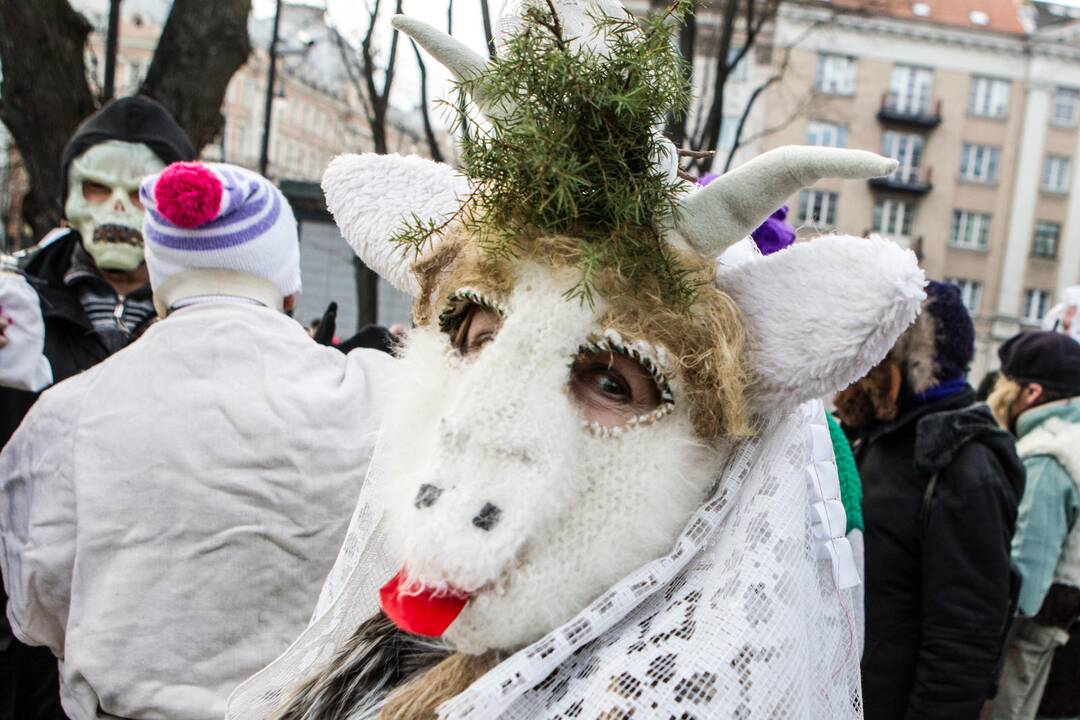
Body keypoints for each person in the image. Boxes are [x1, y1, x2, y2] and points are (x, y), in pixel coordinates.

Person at [225, 2, 925, 718]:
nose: (491, 419)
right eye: (482, 339)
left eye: (607, 380)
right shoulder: (380, 651)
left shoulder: (666, 694)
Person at [0, 161, 396, 720]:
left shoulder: (67, 414)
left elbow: (35, 605)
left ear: (160, 281)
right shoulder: (380, 394)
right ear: (289, 285)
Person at [0, 95, 194, 720]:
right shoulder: (13, 308)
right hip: (21, 633)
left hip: (146, 623)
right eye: (96, 188)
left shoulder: (211, 320)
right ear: (68, 195)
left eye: (140, 196)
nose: (117, 212)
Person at [835, 280, 1024, 720]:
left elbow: (964, 638)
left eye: (878, 349)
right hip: (847, 694)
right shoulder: (881, 434)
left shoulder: (964, 464)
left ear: (911, 360)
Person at [986, 331, 1080, 720]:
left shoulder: (1046, 456)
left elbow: (1023, 588)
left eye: (1004, 383)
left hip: (1035, 652)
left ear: (1031, 393)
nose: (995, 394)